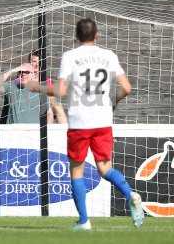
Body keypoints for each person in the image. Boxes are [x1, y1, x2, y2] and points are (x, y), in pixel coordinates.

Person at [57, 18, 143, 230]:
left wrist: (38, 88)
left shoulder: (70, 56)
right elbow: (126, 87)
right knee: (105, 168)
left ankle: (84, 221)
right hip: (103, 120)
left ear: (76, 36)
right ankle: (130, 194)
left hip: (79, 121)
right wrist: (114, 99)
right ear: (97, 35)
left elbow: (60, 90)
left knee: (76, 171)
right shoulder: (108, 55)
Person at [0, 50, 49, 124]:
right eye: (34, 61)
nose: (23, 74)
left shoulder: (45, 86)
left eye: (27, 72)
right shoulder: (13, 85)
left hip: (34, 132)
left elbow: (49, 113)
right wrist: (14, 70)